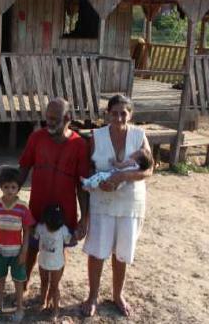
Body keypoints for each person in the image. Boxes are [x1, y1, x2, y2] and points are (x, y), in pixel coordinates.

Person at [81, 94, 154, 318]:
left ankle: (117, 294)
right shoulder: (97, 136)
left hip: (130, 201)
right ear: (107, 114)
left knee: (122, 251)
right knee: (97, 251)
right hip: (102, 199)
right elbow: (88, 169)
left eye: (124, 113)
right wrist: (100, 181)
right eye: (115, 112)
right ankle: (92, 296)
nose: (119, 117)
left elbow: (149, 169)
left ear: (130, 115)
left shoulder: (139, 136)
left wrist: (123, 176)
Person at [18, 97, 90, 289]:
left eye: (54, 119)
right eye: (47, 118)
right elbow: (24, 167)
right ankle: (23, 285)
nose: (48, 123)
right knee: (32, 246)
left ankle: (52, 290)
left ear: (67, 118)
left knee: (59, 249)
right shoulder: (36, 138)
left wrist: (85, 217)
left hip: (64, 211)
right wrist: (12, 196)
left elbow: (83, 185)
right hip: (37, 205)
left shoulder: (79, 145)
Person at [0, 167, 35, 322]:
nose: (9, 190)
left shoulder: (22, 207)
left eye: (13, 187)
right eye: (6, 187)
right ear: (1, 187)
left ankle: (20, 308)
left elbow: (27, 230)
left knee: (18, 280)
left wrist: (24, 251)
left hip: (17, 251)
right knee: (0, 279)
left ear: (18, 188)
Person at [33, 204, 76, 321]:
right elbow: (35, 235)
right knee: (43, 282)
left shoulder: (63, 229)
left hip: (57, 265)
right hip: (42, 262)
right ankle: (43, 302)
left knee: (55, 286)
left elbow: (68, 240)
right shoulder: (41, 227)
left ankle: (56, 309)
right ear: (45, 219)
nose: (52, 228)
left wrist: (76, 235)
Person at [81, 149, 154, 191]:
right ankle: (89, 183)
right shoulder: (137, 167)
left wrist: (113, 162)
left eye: (138, 153)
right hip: (122, 182)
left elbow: (120, 166)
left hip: (114, 175)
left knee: (100, 175)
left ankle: (90, 185)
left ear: (139, 161)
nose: (136, 151)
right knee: (100, 175)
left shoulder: (132, 162)